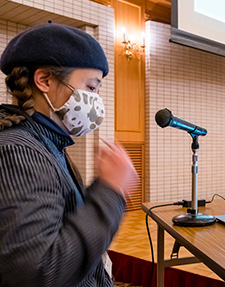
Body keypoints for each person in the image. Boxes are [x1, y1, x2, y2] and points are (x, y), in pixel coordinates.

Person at [0, 23, 139, 287]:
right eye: (90, 87)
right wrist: (110, 190)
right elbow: (40, 272)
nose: (95, 99)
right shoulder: (18, 151)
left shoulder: (47, 141)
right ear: (45, 80)